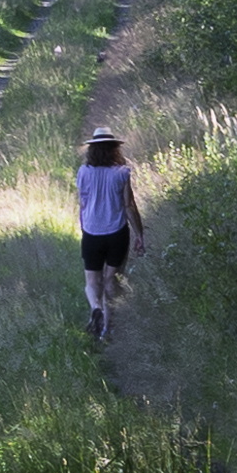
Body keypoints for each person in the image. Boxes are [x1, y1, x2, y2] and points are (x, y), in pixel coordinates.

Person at [75, 126, 141, 348]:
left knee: (92, 282)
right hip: (117, 234)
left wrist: (84, 228)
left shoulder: (83, 172)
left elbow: (82, 204)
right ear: (114, 149)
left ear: (92, 149)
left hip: (92, 233)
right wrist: (139, 234)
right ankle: (107, 329)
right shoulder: (122, 172)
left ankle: (96, 309)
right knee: (110, 280)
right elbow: (129, 206)